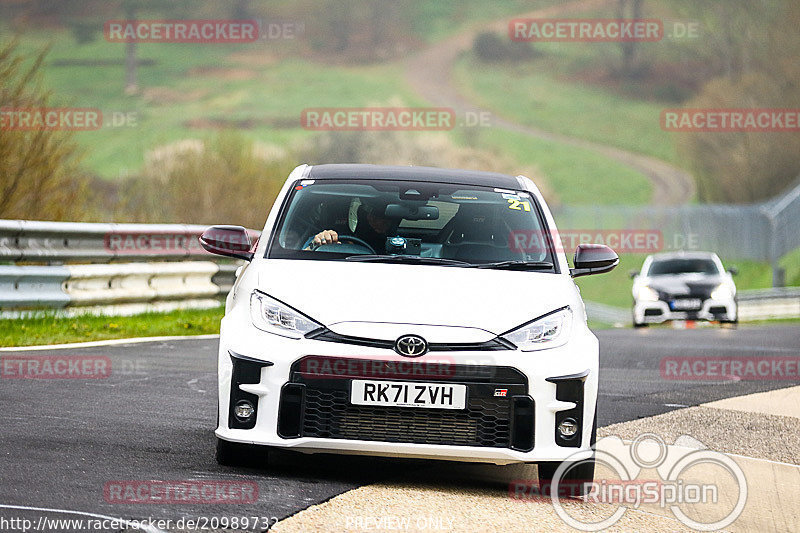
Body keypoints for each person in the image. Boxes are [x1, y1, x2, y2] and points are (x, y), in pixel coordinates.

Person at [307, 198, 397, 253]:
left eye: (384, 218)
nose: (379, 222)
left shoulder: (396, 246)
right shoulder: (331, 238)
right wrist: (317, 243)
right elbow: (301, 254)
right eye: (373, 215)